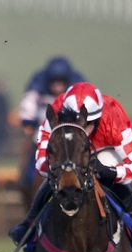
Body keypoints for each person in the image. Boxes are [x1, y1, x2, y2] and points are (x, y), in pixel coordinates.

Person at [9, 82, 132, 252]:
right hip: (70, 150)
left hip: (104, 151)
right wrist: (57, 168)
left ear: (97, 119)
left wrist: (114, 172)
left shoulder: (114, 119)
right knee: (52, 180)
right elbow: (42, 164)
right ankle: (29, 225)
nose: (81, 130)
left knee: (116, 182)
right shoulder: (55, 115)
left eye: (86, 124)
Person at [17, 57, 85, 187]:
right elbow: (28, 103)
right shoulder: (38, 83)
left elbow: (87, 106)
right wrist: (28, 122)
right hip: (43, 130)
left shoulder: (78, 86)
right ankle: (28, 181)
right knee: (30, 162)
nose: (57, 87)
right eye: (54, 82)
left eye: (61, 83)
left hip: (71, 132)